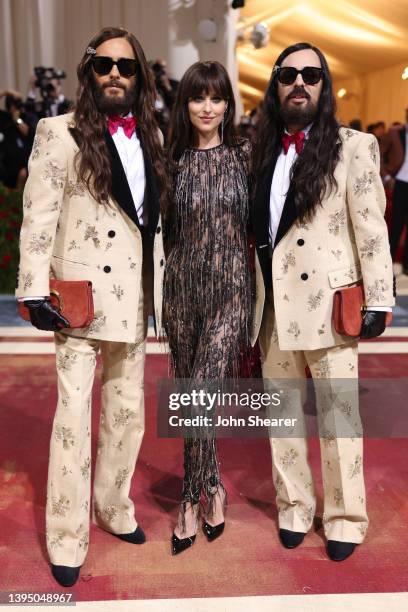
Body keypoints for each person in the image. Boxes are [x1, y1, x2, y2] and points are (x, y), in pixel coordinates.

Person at [16, 26, 168, 586]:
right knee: (73, 422)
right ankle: (65, 534)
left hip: (134, 299)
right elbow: (38, 216)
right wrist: (33, 289)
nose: (114, 75)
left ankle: (112, 505)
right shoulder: (59, 132)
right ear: (88, 71)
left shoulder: (152, 136)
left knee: (128, 415)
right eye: (104, 65)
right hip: (79, 300)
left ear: (140, 77)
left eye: (126, 67)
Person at [251, 42, 394, 561]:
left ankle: (346, 517)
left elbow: (372, 229)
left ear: (324, 85)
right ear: (276, 84)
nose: (299, 83)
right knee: (281, 415)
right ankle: (293, 506)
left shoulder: (354, 146)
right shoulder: (262, 147)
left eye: (311, 74)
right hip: (273, 307)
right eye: (289, 74)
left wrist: (379, 297)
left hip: (330, 304)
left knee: (339, 419)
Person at [163, 61, 252, 554]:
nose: (207, 107)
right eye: (199, 98)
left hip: (230, 294)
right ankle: (213, 485)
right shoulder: (171, 159)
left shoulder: (244, 155)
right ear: (186, 104)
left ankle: (187, 499)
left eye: (217, 98)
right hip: (181, 293)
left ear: (227, 105)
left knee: (200, 395)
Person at [381, 109, 408, 274]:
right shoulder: (394, 132)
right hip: (400, 183)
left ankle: (406, 265)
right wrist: (386, 177)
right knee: (396, 224)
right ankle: (387, 263)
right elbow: (377, 154)